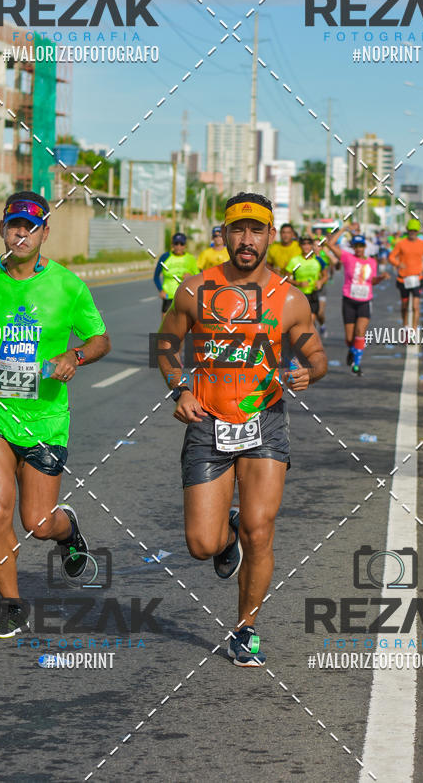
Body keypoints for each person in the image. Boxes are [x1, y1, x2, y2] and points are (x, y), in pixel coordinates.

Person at [157, 193, 327, 667]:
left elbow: (316, 354)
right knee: (201, 545)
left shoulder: (289, 298)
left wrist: (309, 371)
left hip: (265, 421)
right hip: (208, 421)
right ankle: (224, 536)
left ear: (271, 236)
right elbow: (167, 345)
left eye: (257, 231)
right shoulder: (193, 290)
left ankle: (245, 627)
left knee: (260, 529)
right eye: (238, 230)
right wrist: (179, 389)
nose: (247, 240)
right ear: (225, 235)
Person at [0, 191, 111, 638]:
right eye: (15, 225)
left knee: (37, 522)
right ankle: (11, 605)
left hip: (45, 420)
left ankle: (67, 527)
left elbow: (100, 339)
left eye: (31, 226)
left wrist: (75, 355)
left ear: (45, 233)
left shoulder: (68, 285)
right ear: (2, 231)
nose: (22, 233)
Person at [328, 224, 390, 376]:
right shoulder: (347, 257)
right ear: (353, 247)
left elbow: (373, 281)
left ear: (365, 247)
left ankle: (357, 364)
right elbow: (330, 244)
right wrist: (344, 229)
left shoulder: (372, 262)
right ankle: (351, 350)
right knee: (349, 339)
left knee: (360, 332)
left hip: (364, 301)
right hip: (349, 300)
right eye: (356, 246)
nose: (359, 249)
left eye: (361, 246)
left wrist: (381, 278)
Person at [388, 219, 423, 331]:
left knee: (415, 306)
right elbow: (391, 257)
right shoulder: (400, 244)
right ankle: (406, 327)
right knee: (404, 306)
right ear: (407, 230)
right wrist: (398, 264)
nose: (412, 233)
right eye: (410, 230)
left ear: (418, 232)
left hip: (417, 278)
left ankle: (414, 330)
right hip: (403, 279)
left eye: (415, 231)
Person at [285, 235, 328, 328]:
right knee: (300, 323)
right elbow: (285, 278)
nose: (306, 246)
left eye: (308, 244)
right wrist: (298, 283)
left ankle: (317, 330)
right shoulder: (294, 261)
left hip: (313, 294)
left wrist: (320, 282)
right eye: (304, 244)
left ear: (312, 246)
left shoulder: (318, 260)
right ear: (300, 246)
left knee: (310, 322)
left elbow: (325, 276)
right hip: (299, 295)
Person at [154, 232, 199, 314]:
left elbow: (198, 278)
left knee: (185, 325)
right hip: (169, 296)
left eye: (181, 244)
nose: (178, 246)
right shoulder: (165, 257)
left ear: (185, 246)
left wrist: (191, 276)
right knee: (165, 325)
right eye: (176, 243)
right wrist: (161, 290)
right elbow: (156, 276)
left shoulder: (191, 259)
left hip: (185, 296)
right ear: (172, 245)